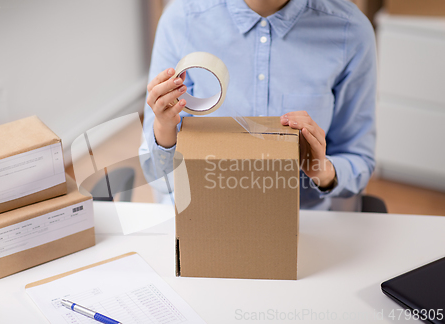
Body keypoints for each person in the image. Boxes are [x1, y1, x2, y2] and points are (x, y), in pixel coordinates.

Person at [139, 0, 376, 210]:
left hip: (301, 223)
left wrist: (322, 170)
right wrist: (164, 128)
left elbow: (358, 159)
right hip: (203, 213)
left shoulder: (349, 30)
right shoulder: (182, 18)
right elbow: (157, 173)